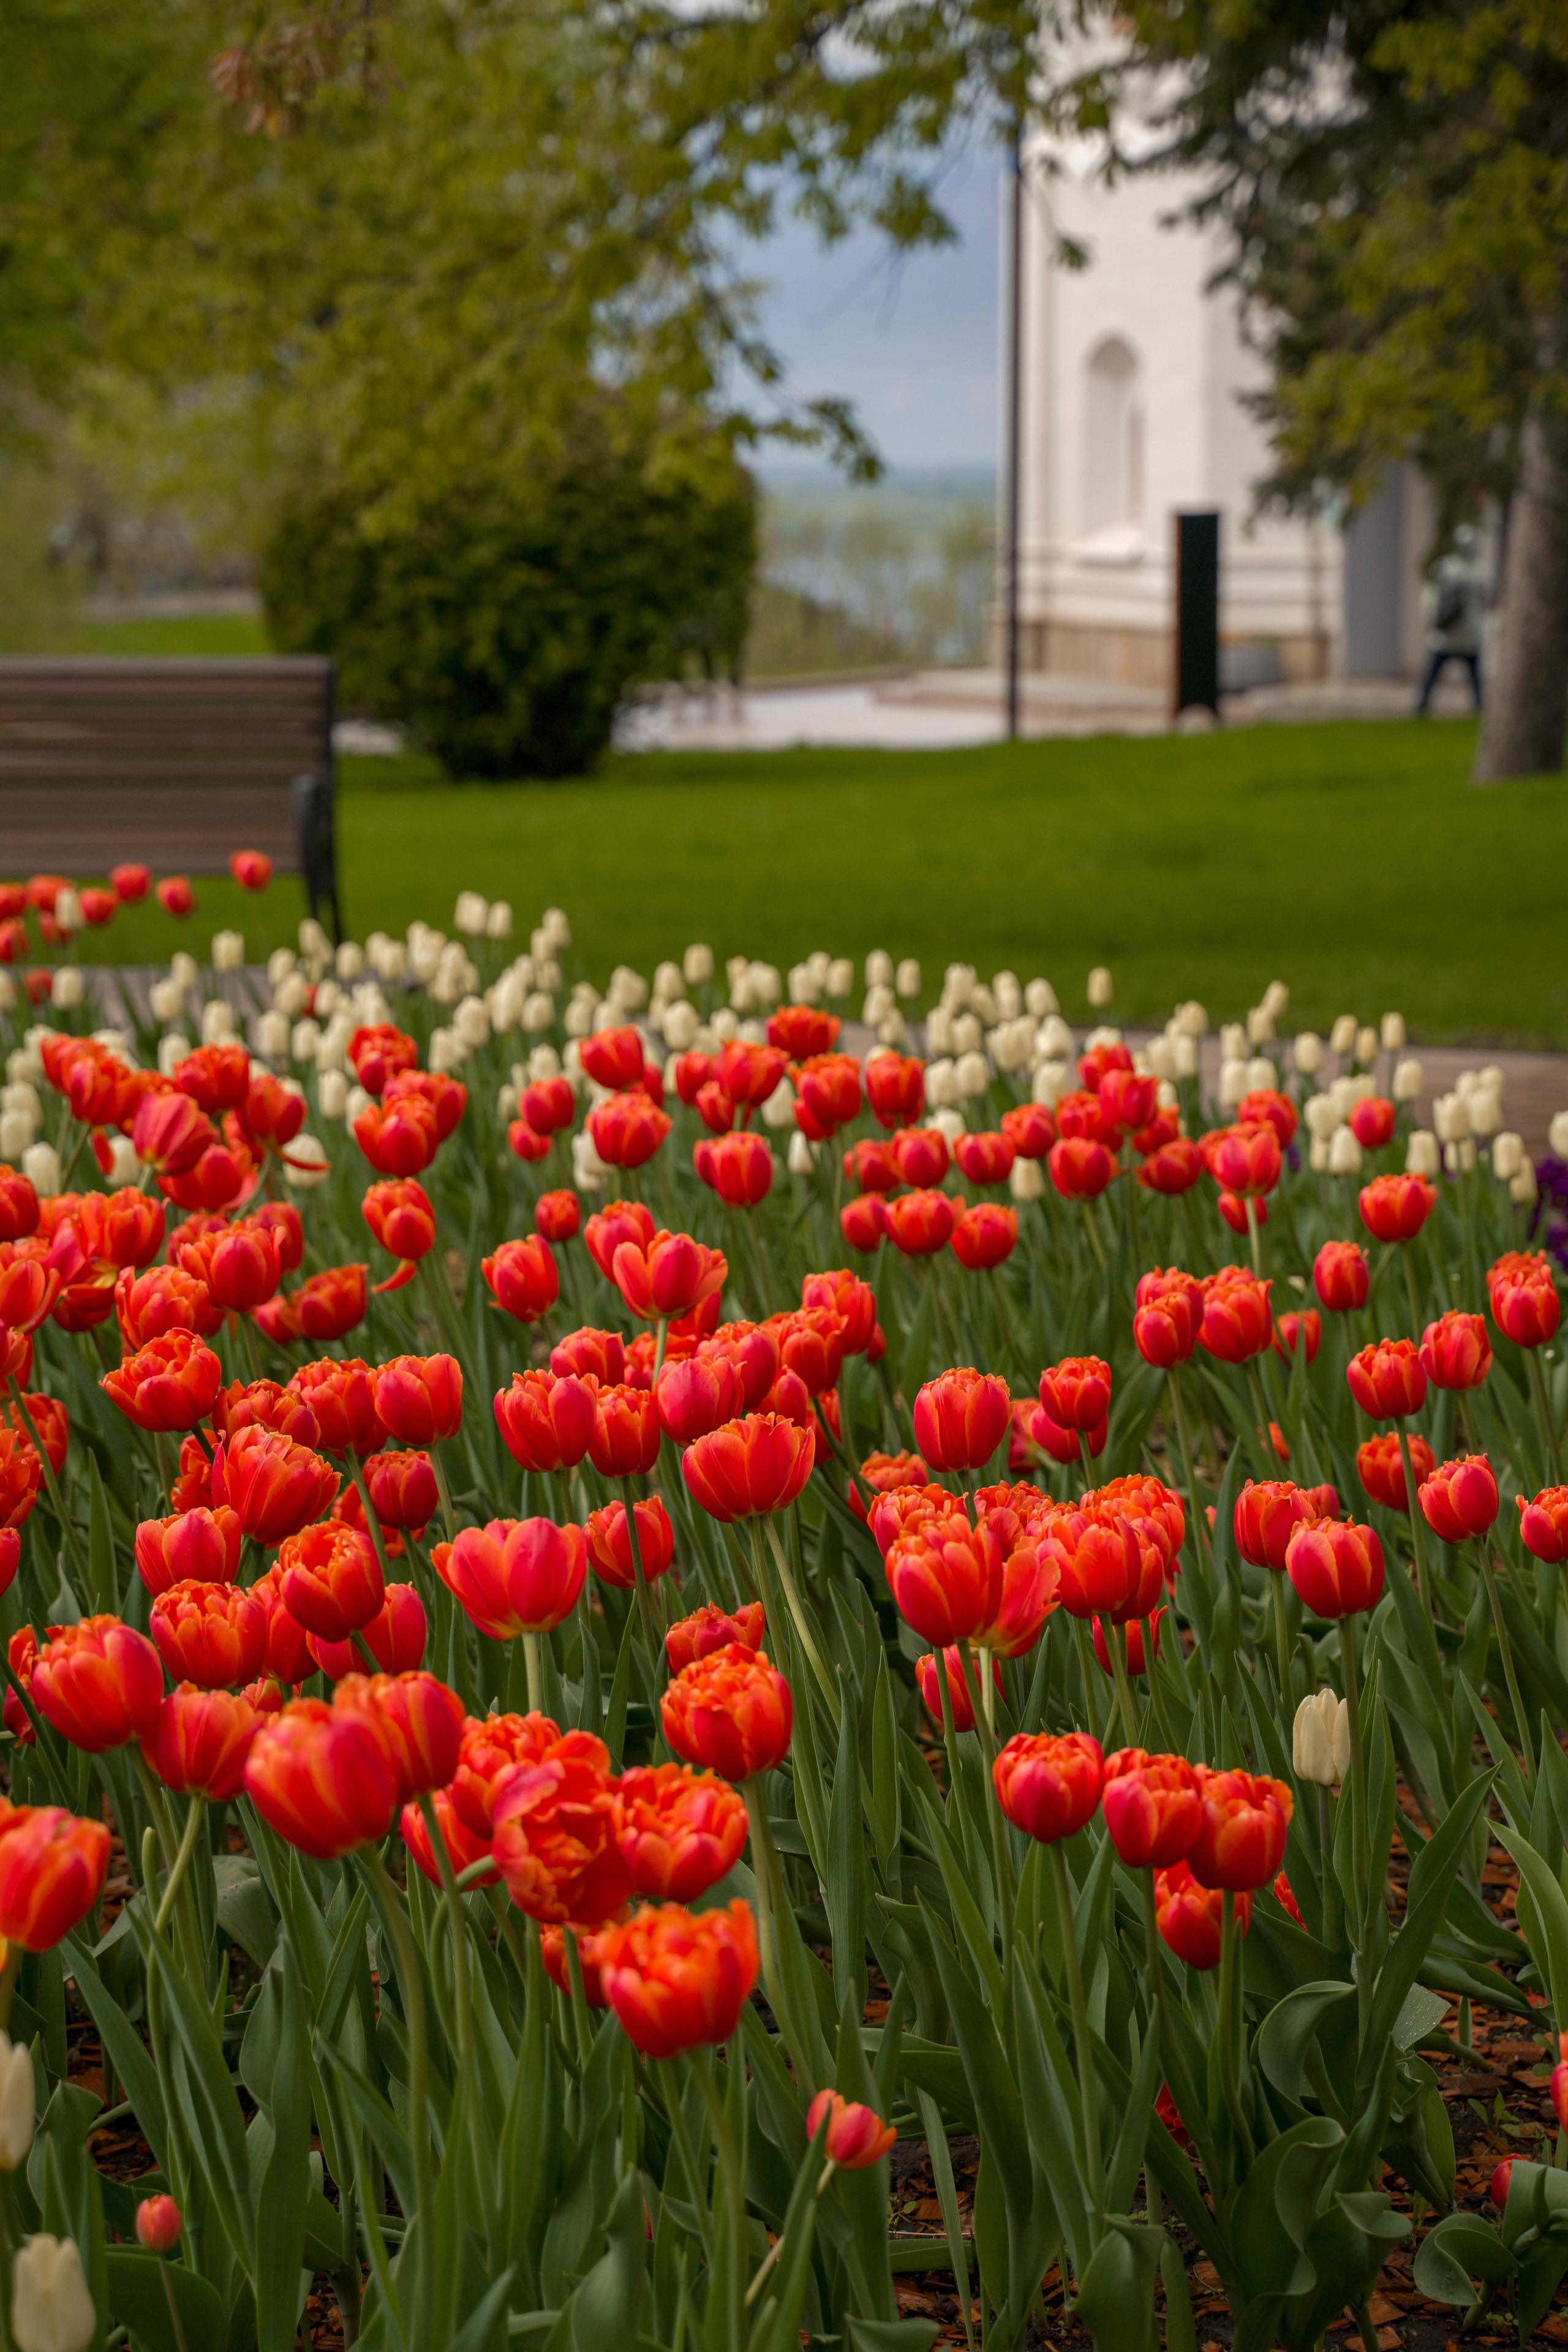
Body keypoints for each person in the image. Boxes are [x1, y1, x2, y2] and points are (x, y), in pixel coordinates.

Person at [1415, 524, 1486, 714]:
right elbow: (1489, 602)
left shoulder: (1447, 568)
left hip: (1449, 635)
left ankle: (1422, 707)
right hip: (1462, 635)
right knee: (1473, 678)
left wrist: (1431, 621)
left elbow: (1429, 598)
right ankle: (1477, 708)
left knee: (1435, 675)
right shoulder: (1478, 572)